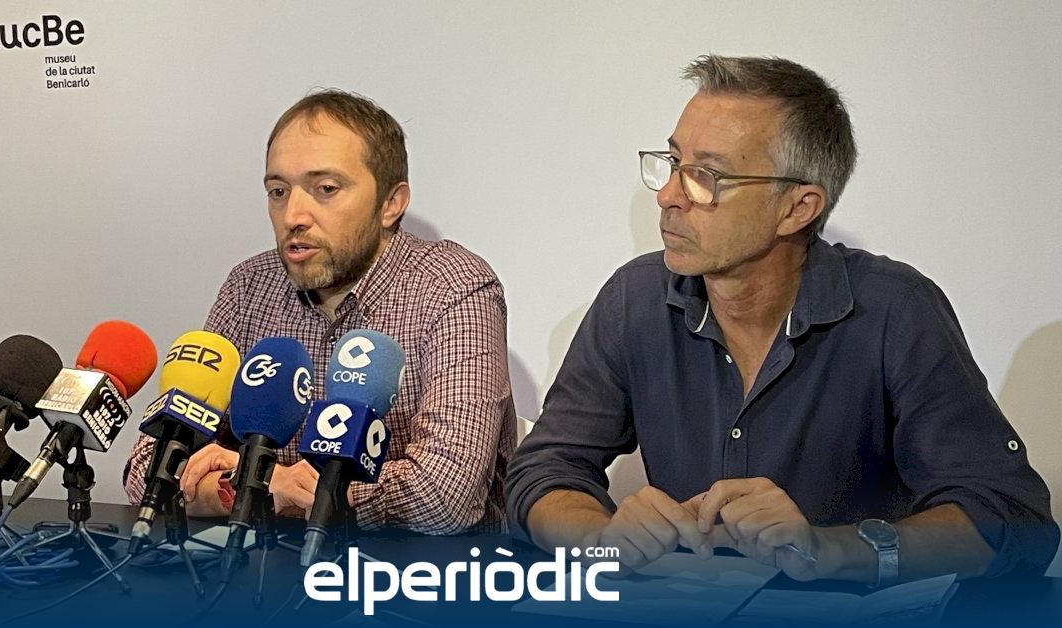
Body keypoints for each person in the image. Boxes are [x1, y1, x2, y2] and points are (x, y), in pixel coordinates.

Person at [507, 55, 1058, 584]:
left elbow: (1010, 517)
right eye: (673, 163)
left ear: (798, 208)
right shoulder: (635, 299)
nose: (669, 196)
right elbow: (544, 471)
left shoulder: (895, 309)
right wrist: (598, 540)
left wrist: (830, 549)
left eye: (706, 176)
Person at [125, 89, 516, 535]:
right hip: (262, 566)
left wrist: (261, 484)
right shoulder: (248, 287)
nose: (293, 215)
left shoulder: (453, 286)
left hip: (414, 571)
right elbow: (147, 470)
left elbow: (446, 495)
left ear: (391, 203)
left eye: (325, 189)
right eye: (278, 191)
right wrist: (260, 487)